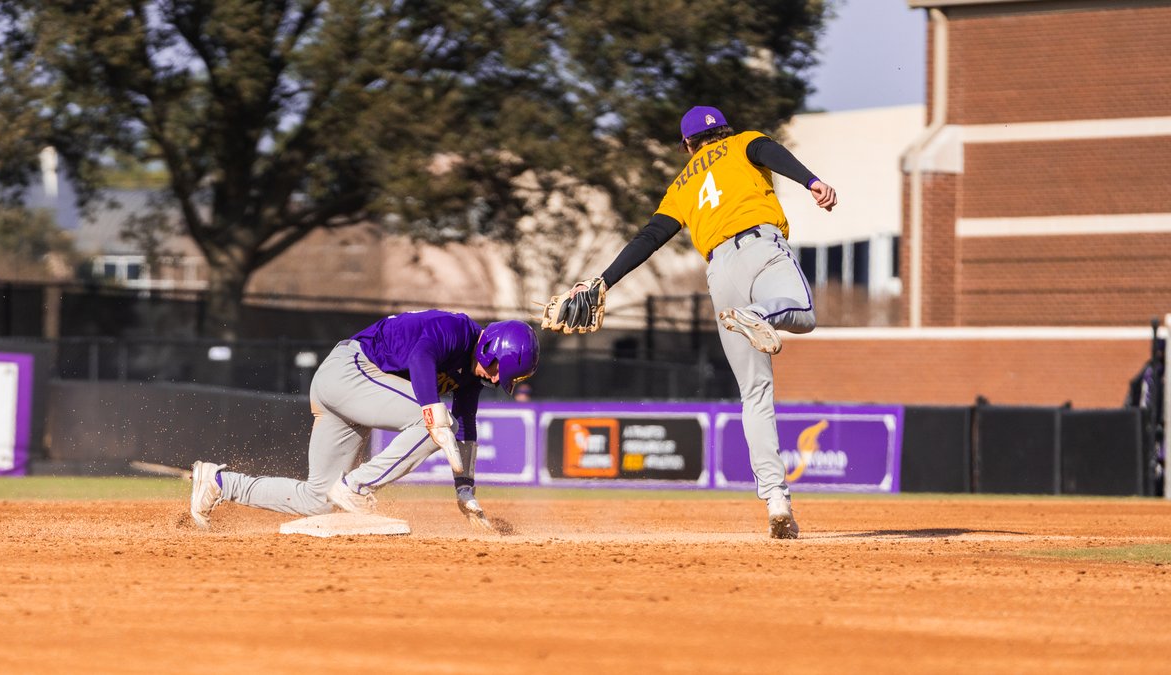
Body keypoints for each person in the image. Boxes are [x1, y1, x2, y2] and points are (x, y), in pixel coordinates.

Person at [557, 105, 836, 539]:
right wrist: (811, 181)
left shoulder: (682, 184)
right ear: (724, 130)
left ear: (687, 145)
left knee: (754, 393)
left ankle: (776, 499)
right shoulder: (742, 142)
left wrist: (603, 281)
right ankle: (759, 314)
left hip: (720, 273)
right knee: (802, 311)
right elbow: (769, 151)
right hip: (761, 246)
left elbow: (650, 237)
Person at [188, 311, 540, 530]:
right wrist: (433, 412)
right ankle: (358, 487)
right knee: (433, 421)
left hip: (350, 393)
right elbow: (421, 356)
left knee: (320, 499)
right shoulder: (457, 329)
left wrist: (465, 489)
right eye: (499, 369)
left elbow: (467, 428)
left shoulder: (471, 378)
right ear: (491, 347)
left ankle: (219, 483)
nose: (497, 379)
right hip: (348, 370)